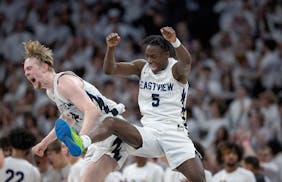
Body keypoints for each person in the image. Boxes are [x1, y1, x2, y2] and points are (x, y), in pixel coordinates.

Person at [57, 26, 206, 181]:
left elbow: (187, 61)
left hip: (174, 133)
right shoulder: (142, 67)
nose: (150, 60)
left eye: (154, 57)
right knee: (112, 122)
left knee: (199, 179)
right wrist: (111, 48)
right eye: (147, 56)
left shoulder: (176, 70)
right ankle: (82, 142)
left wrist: (174, 41)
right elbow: (110, 69)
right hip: (149, 132)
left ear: (167, 55)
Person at [23, 40, 129, 182]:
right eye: (25, 71)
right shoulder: (51, 91)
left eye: (29, 68)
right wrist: (44, 144)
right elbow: (68, 118)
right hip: (98, 139)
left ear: (44, 67)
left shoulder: (63, 82)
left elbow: (92, 110)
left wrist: (81, 140)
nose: (26, 73)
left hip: (112, 131)